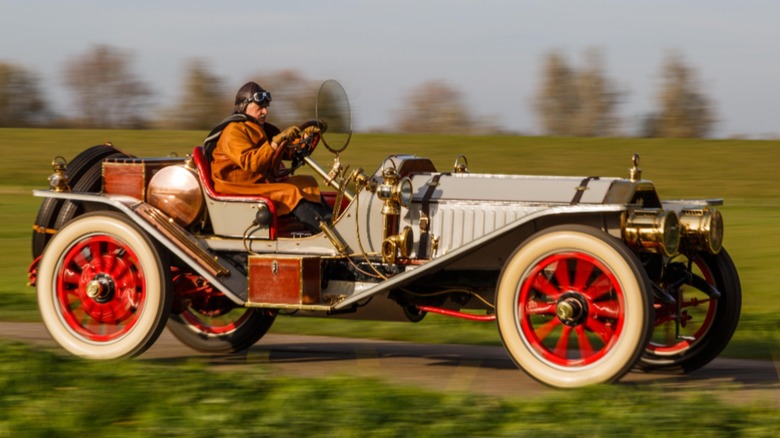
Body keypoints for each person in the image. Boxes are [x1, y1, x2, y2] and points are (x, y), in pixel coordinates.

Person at [210, 81, 332, 233]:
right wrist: (275, 143)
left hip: (259, 183)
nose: (265, 112)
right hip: (238, 188)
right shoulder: (234, 131)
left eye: (266, 107)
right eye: (259, 107)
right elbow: (251, 162)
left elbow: (285, 150)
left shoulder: (260, 128)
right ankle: (326, 234)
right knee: (291, 193)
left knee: (306, 182)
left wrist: (307, 138)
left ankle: (331, 223)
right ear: (244, 107)